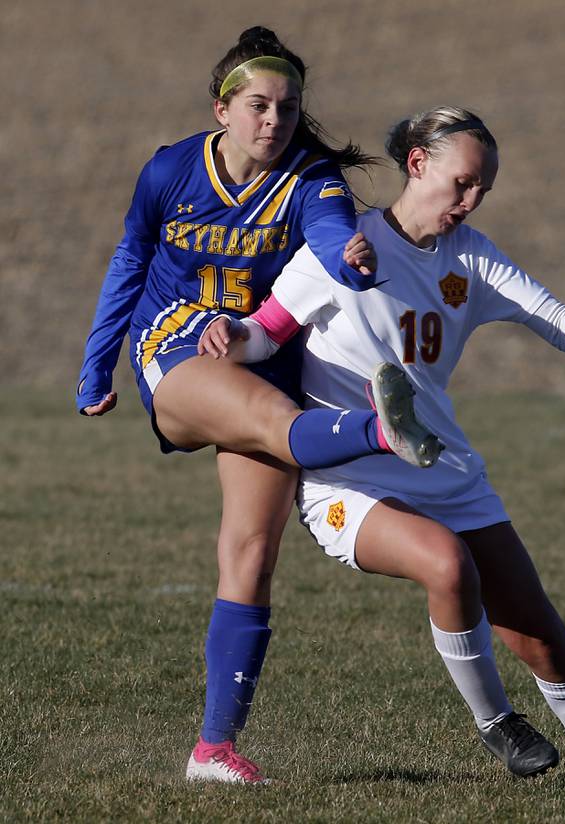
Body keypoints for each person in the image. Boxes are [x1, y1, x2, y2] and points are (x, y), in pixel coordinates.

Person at [201, 106, 565, 787]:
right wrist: (232, 338)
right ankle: (498, 723)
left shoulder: (470, 257)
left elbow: (546, 311)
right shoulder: (342, 244)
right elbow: (267, 331)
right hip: (349, 480)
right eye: (462, 183)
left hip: (445, 469)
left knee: (540, 636)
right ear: (419, 164)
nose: (469, 202)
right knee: (448, 566)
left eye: (482, 192)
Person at [76, 26, 441, 785]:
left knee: (252, 552)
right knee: (279, 427)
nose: (273, 120)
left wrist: (354, 256)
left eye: (287, 107)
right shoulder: (170, 171)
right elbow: (130, 260)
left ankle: (213, 750)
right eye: (257, 106)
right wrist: (94, 367)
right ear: (222, 110)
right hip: (176, 345)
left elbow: (334, 233)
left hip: (261, 355)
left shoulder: (312, 179)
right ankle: (382, 429)